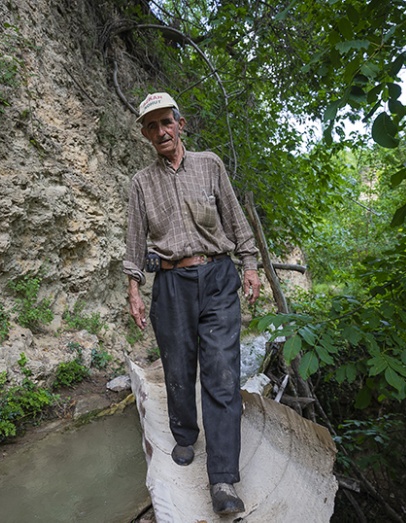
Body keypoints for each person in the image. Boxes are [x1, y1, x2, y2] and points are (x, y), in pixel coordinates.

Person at [123, 92, 261, 515]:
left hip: (218, 278)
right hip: (170, 283)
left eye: (167, 122)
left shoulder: (210, 164)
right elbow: (135, 239)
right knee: (178, 365)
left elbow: (236, 219)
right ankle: (185, 435)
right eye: (152, 126)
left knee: (221, 372)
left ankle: (222, 479)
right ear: (146, 134)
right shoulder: (141, 183)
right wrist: (133, 286)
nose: (162, 131)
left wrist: (249, 263)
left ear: (181, 124)